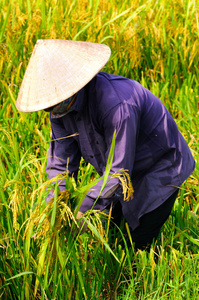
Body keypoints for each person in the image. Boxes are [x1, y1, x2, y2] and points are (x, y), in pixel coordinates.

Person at [16, 39, 195, 251]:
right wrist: (56, 208)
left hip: (160, 168)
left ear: (72, 88)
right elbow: (61, 166)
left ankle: (141, 272)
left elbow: (118, 172)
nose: (51, 112)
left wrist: (82, 210)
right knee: (112, 234)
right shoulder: (59, 111)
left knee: (137, 243)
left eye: (53, 104)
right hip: (120, 172)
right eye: (47, 108)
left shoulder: (117, 104)